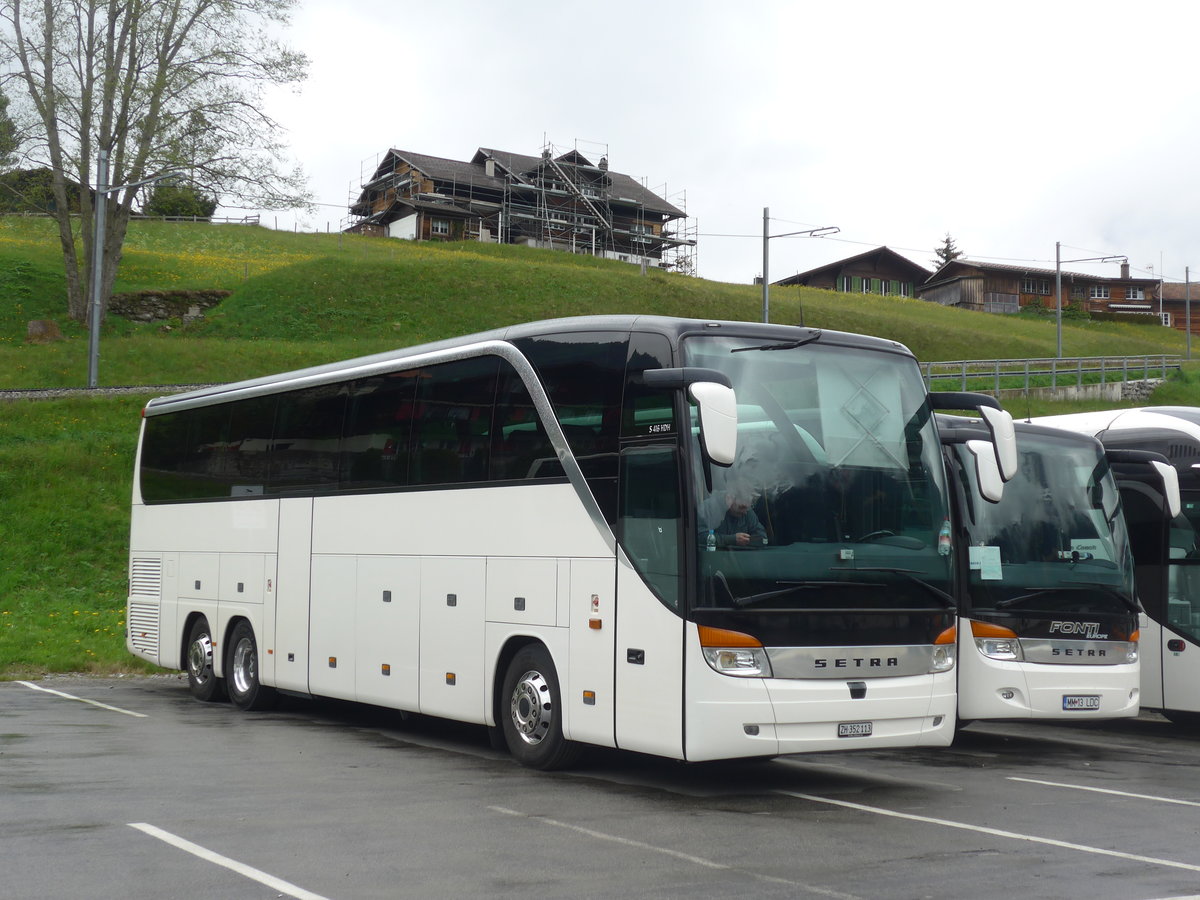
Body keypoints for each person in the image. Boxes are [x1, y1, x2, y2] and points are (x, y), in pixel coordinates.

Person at [714, 485, 768, 549]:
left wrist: (747, 540)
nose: (745, 512)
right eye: (742, 507)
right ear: (729, 499)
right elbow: (701, 537)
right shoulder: (711, 510)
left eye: (747, 508)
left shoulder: (748, 512)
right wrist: (731, 540)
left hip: (740, 557)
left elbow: (763, 539)